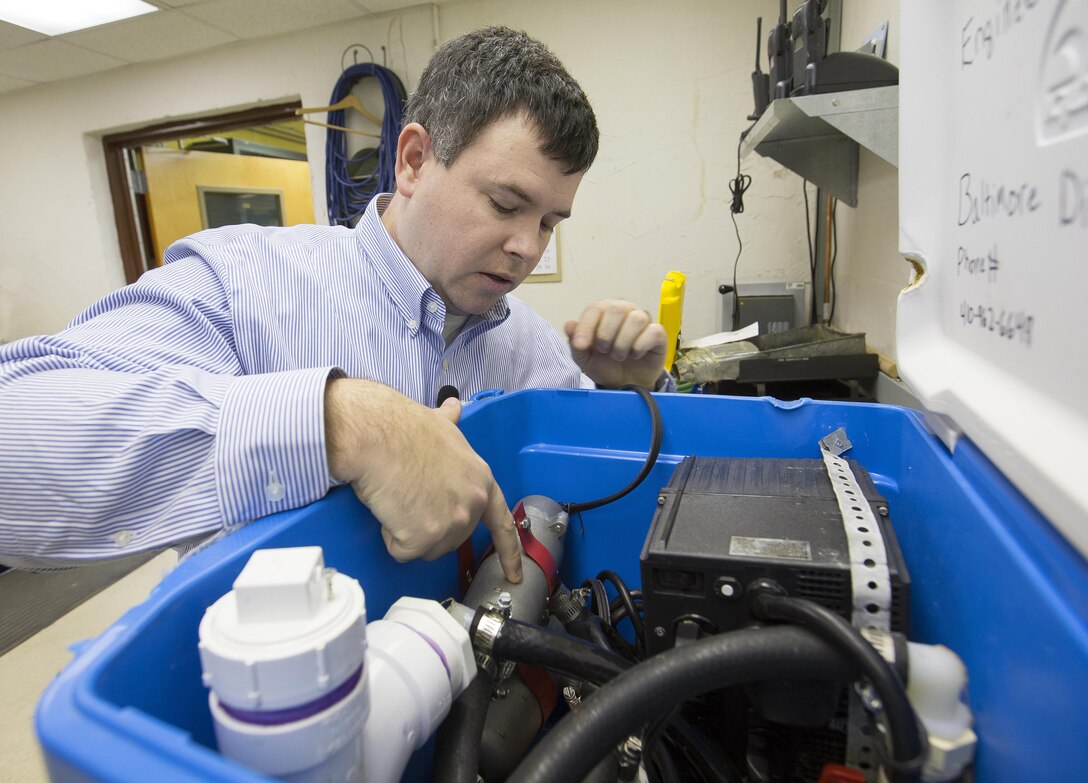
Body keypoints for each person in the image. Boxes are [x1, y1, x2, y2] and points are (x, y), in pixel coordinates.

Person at [0, 26, 670, 577]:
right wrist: (335, 423)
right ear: (411, 161)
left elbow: (607, 495)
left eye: (551, 222)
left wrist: (634, 395)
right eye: (505, 203)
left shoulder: (530, 343)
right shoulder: (244, 282)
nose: (528, 247)